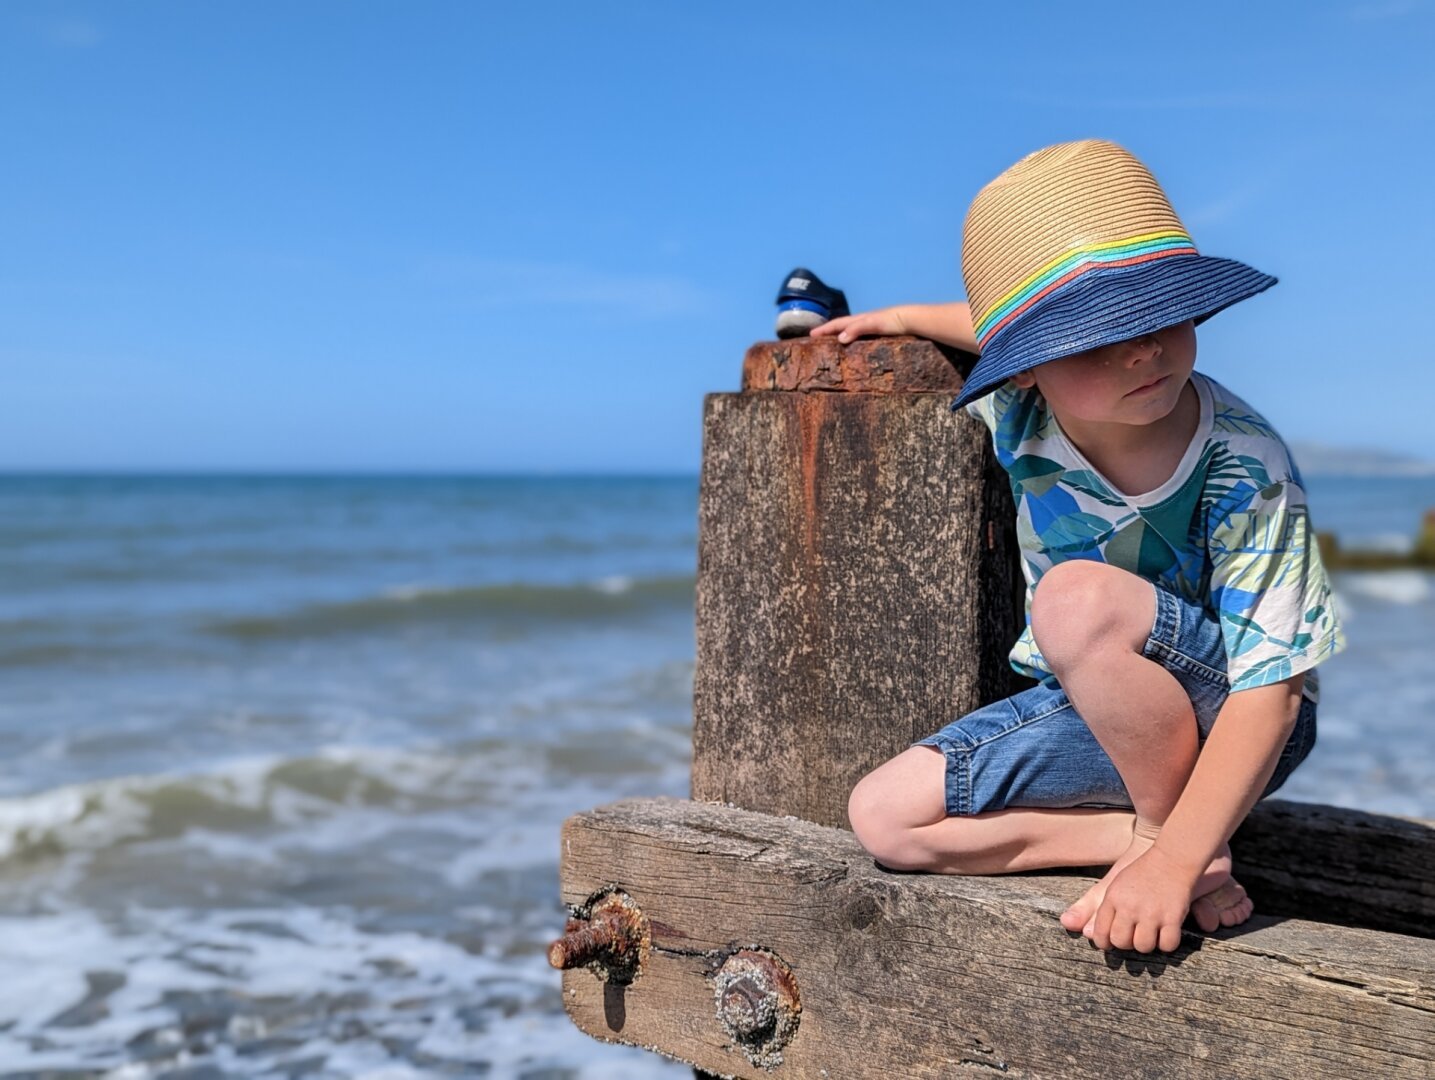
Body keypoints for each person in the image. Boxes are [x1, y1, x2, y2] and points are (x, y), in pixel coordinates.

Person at [815, 139, 1346, 955]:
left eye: (1157, 313)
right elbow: (987, 328)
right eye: (1094, 335)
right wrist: (899, 319)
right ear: (1023, 368)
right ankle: (1133, 834)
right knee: (884, 820)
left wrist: (1173, 862)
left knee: (1075, 597)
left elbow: (1273, 691)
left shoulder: (1245, 465)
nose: (1140, 349)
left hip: (1239, 714)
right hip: (1102, 711)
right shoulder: (1019, 408)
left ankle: (1178, 837)